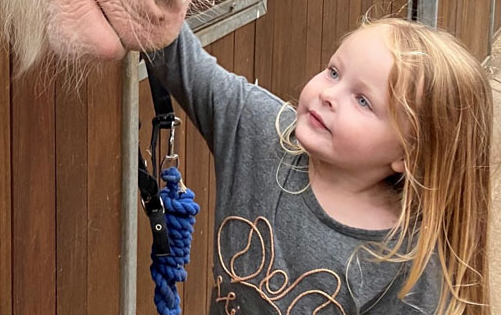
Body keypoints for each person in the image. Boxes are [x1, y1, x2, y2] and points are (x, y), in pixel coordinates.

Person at [147, 16, 492, 314]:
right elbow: (177, 55)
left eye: (362, 101)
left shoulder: (407, 273)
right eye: (333, 72)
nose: (329, 94)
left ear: (408, 155)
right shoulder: (256, 131)